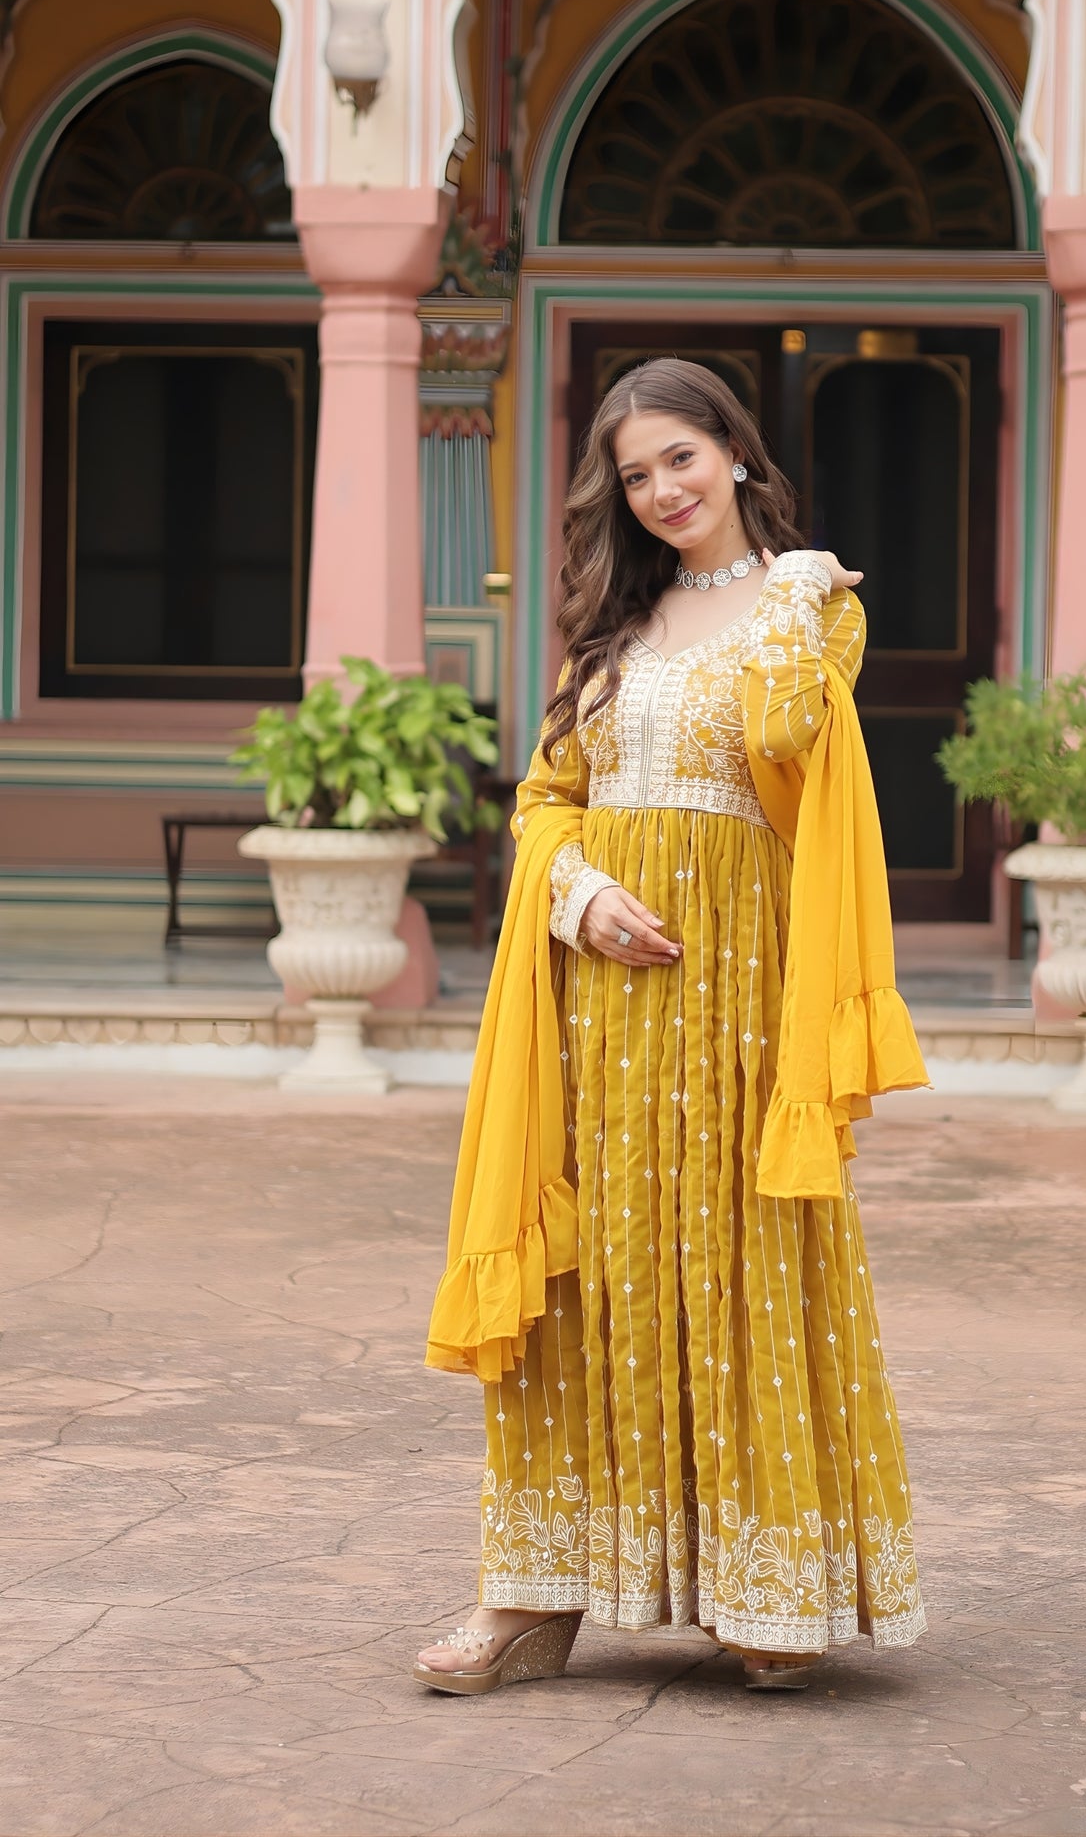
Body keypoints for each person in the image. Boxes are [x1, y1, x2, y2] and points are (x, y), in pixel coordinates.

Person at [416, 357, 929, 1695]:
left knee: (736, 1258)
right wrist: (575, 898)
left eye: (678, 462)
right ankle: (532, 1597)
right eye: (634, 475)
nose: (658, 493)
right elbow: (545, 798)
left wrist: (792, 588)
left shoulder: (806, 609)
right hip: (596, 1006)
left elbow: (790, 736)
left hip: (742, 994)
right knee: (585, 1274)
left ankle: (765, 1586)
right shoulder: (611, 626)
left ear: (735, 455)